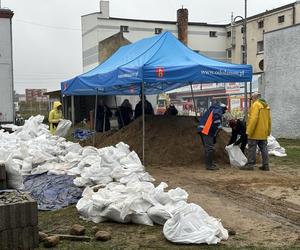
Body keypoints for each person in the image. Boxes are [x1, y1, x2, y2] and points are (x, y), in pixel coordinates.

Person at [241, 93, 271, 171]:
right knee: (264, 148)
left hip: (255, 132)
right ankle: (266, 165)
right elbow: (269, 120)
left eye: (251, 99)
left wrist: (249, 131)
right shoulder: (266, 106)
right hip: (263, 132)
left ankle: (250, 164)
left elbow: (253, 119)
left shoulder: (256, 105)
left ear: (254, 98)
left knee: (252, 148)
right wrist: (268, 131)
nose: (251, 100)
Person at [197, 102, 227, 170]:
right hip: (206, 130)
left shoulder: (213, 109)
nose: (223, 112)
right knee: (209, 148)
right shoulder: (218, 109)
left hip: (204, 130)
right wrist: (219, 124)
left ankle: (210, 163)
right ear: (223, 108)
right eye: (224, 111)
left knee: (208, 148)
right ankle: (209, 165)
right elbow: (216, 117)